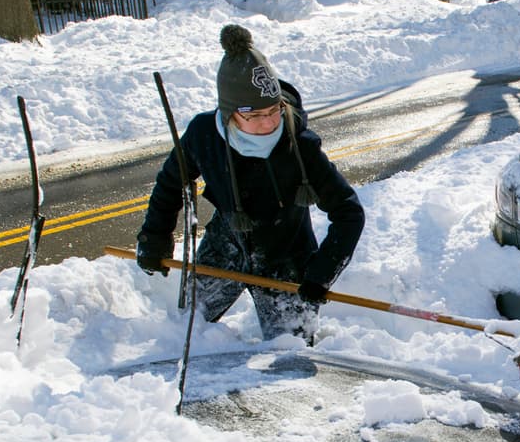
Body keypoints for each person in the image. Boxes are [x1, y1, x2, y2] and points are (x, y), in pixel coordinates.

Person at [136, 24, 366, 344]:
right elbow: (169, 184)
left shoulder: (300, 144)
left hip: (287, 259)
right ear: (230, 114)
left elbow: (349, 212)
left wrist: (320, 274)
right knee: (186, 332)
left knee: (291, 356)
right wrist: (154, 237)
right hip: (226, 246)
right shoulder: (204, 135)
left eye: (274, 111)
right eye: (256, 115)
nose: (269, 122)